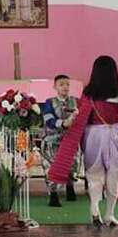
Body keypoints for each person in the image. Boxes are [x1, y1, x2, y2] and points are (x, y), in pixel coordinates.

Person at [48, 56, 118, 227]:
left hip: (93, 136)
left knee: (94, 173)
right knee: (116, 173)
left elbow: (82, 116)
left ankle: (94, 211)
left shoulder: (88, 93)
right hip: (115, 134)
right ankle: (110, 214)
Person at [41, 75, 80, 207]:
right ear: (55, 87)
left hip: (70, 140)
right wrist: (63, 124)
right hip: (52, 140)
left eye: (67, 84)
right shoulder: (49, 102)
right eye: (61, 84)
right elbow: (48, 120)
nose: (65, 87)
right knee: (51, 166)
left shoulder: (76, 102)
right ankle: (53, 195)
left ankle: (70, 187)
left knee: (72, 164)